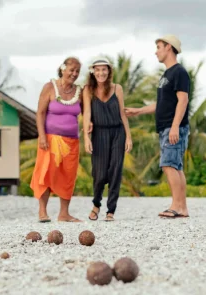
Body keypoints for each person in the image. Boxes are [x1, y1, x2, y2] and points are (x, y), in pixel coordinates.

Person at [125, 35, 190, 218]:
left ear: (168, 47)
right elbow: (161, 104)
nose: (156, 51)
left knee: (169, 165)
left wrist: (175, 126)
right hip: (166, 127)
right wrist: (138, 111)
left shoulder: (179, 72)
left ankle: (177, 206)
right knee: (175, 166)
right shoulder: (166, 75)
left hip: (173, 126)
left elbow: (183, 100)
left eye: (159, 47)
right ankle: (181, 207)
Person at [30, 57, 83, 222]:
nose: (74, 74)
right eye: (71, 70)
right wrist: (42, 135)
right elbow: (40, 113)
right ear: (62, 69)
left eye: (77, 71)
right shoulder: (49, 87)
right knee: (45, 173)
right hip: (50, 139)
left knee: (68, 175)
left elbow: (88, 113)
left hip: (72, 141)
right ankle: (42, 212)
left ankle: (64, 213)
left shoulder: (80, 91)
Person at [82, 58, 133, 222]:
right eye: (97, 70)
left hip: (118, 133)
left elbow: (122, 114)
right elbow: (87, 115)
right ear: (93, 72)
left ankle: (111, 210)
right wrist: (86, 138)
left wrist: (128, 137)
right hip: (99, 133)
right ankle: (96, 204)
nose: (101, 73)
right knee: (99, 173)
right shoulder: (88, 89)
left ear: (109, 72)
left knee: (115, 171)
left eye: (104, 70)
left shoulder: (117, 88)